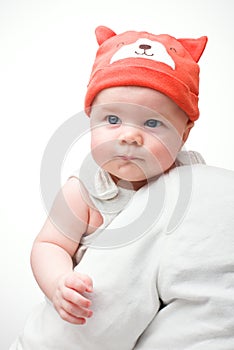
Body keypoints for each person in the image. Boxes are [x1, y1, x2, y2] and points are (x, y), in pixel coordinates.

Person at [10, 26, 234, 350]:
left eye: (152, 123)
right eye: (112, 120)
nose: (129, 136)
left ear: (184, 134)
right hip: (98, 312)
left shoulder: (188, 180)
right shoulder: (85, 191)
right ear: (90, 120)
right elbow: (49, 245)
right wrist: (59, 283)